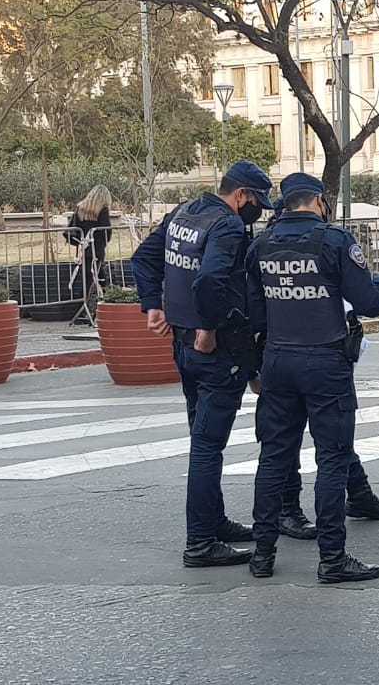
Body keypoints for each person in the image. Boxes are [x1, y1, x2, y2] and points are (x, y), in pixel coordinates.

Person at [243, 172, 379, 582]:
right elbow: (370, 303)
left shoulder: (261, 245)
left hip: (277, 361)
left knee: (274, 458)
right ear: (320, 200)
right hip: (325, 361)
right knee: (332, 458)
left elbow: (254, 314)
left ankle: (263, 555)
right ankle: (332, 558)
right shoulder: (334, 241)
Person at [130, 159, 270, 568]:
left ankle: (214, 521)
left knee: (202, 440)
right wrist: (208, 327)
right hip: (215, 348)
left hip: (182, 346)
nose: (257, 210)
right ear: (240, 195)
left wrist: (152, 307)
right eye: (256, 201)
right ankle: (201, 542)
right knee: (208, 448)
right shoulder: (225, 225)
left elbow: (144, 259)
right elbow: (211, 281)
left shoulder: (184, 213)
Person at [69, 184, 113, 291]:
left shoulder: (80, 208)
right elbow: (106, 230)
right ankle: (100, 297)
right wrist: (104, 240)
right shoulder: (102, 210)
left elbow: (73, 227)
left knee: (87, 276)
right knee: (98, 274)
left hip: (83, 247)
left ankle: (87, 298)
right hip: (96, 247)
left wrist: (78, 241)